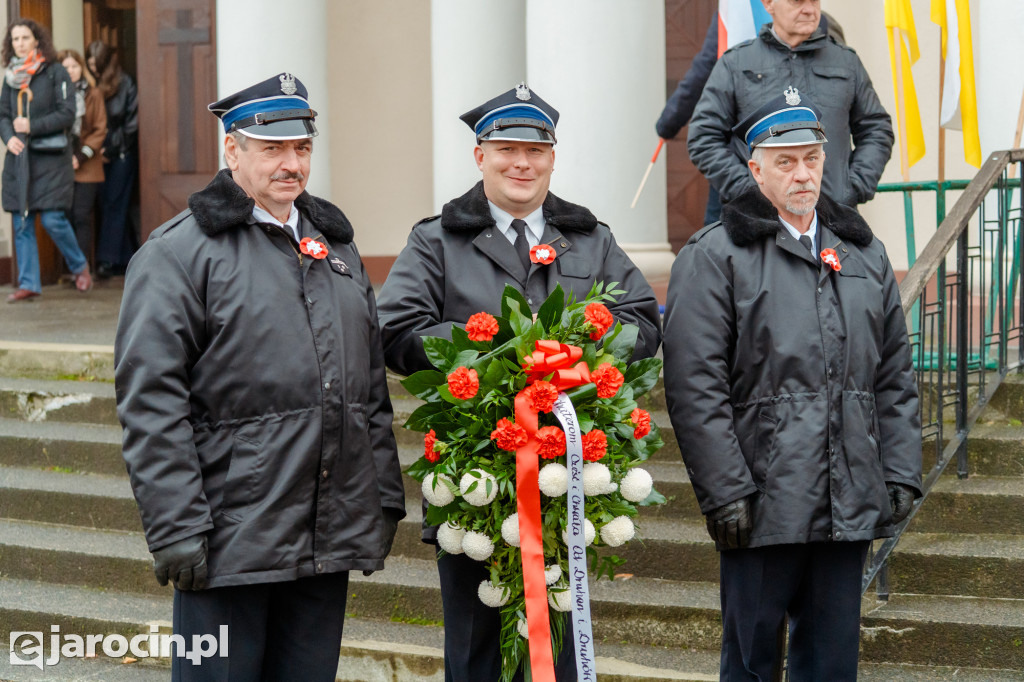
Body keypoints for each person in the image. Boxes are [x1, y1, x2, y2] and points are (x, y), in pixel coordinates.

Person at [115, 73, 406, 682]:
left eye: (301, 148)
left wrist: (381, 495)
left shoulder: (337, 248)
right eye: (271, 148)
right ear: (233, 150)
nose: (291, 163)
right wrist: (176, 524)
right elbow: (150, 401)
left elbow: (369, 390)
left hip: (326, 532)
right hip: (230, 538)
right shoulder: (179, 253)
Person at [377, 83, 663, 682]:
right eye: (505, 148)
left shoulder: (589, 238)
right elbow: (397, 331)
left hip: (571, 481)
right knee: (479, 650)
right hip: (476, 485)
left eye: (535, 150)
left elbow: (641, 321)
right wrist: (495, 357)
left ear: (553, 158)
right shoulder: (437, 240)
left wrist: (575, 355)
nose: (521, 163)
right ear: (479, 156)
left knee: (560, 647)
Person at [662, 93, 922, 681]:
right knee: (752, 664)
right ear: (755, 170)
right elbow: (693, 383)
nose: (802, 173)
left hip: (846, 496)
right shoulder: (716, 255)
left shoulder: (861, 252)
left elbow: (893, 375)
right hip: (760, 502)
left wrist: (902, 469)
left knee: (831, 664)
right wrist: (725, 490)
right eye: (785, 162)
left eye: (811, 158)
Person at [687, 0, 893, 212]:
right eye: (797, 1)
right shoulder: (736, 64)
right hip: (760, 222)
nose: (809, 9)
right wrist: (749, 191)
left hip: (834, 218)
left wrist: (853, 187)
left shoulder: (846, 62)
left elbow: (876, 129)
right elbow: (703, 137)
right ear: (768, 4)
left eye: (814, 1)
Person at [656, 11, 845, 226]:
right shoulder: (735, 13)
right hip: (744, 172)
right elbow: (704, 73)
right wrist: (751, 190)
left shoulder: (822, 25)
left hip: (823, 197)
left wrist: (850, 186)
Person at [0, 19, 91, 302]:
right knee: (22, 220)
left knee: (53, 219)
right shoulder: (10, 77)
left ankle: (79, 266)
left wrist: (32, 126)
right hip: (21, 157)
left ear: (37, 40)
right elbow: (3, 114)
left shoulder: (56, 72)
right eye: (15, 39)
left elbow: (67, 114)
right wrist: (8, 137)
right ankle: (29, 283)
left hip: (51, 159)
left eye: (25, 38)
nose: (20, 43)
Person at [86, 40, 137, 278]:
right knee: (109, 204)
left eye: (97, 65)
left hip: (121, 154)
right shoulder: (90, 85)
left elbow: (132, 124)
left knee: (115, 204)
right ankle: (126, 258)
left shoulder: (126, 83)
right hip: (97, 154)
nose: (93, 69)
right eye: (90, 65)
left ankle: (107, 259)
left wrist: (112, 150)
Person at [58, 48, 106, 269]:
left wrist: (80, 157)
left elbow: (99, 129)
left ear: (82, 68)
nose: (70, 71)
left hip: (88, 165)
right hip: (60, 164)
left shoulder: (93, 93)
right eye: (66, 67)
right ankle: (73, 266)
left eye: (74, 66)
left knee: (81, 215)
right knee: (63, 215)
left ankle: (81, 268)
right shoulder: (55, 95)